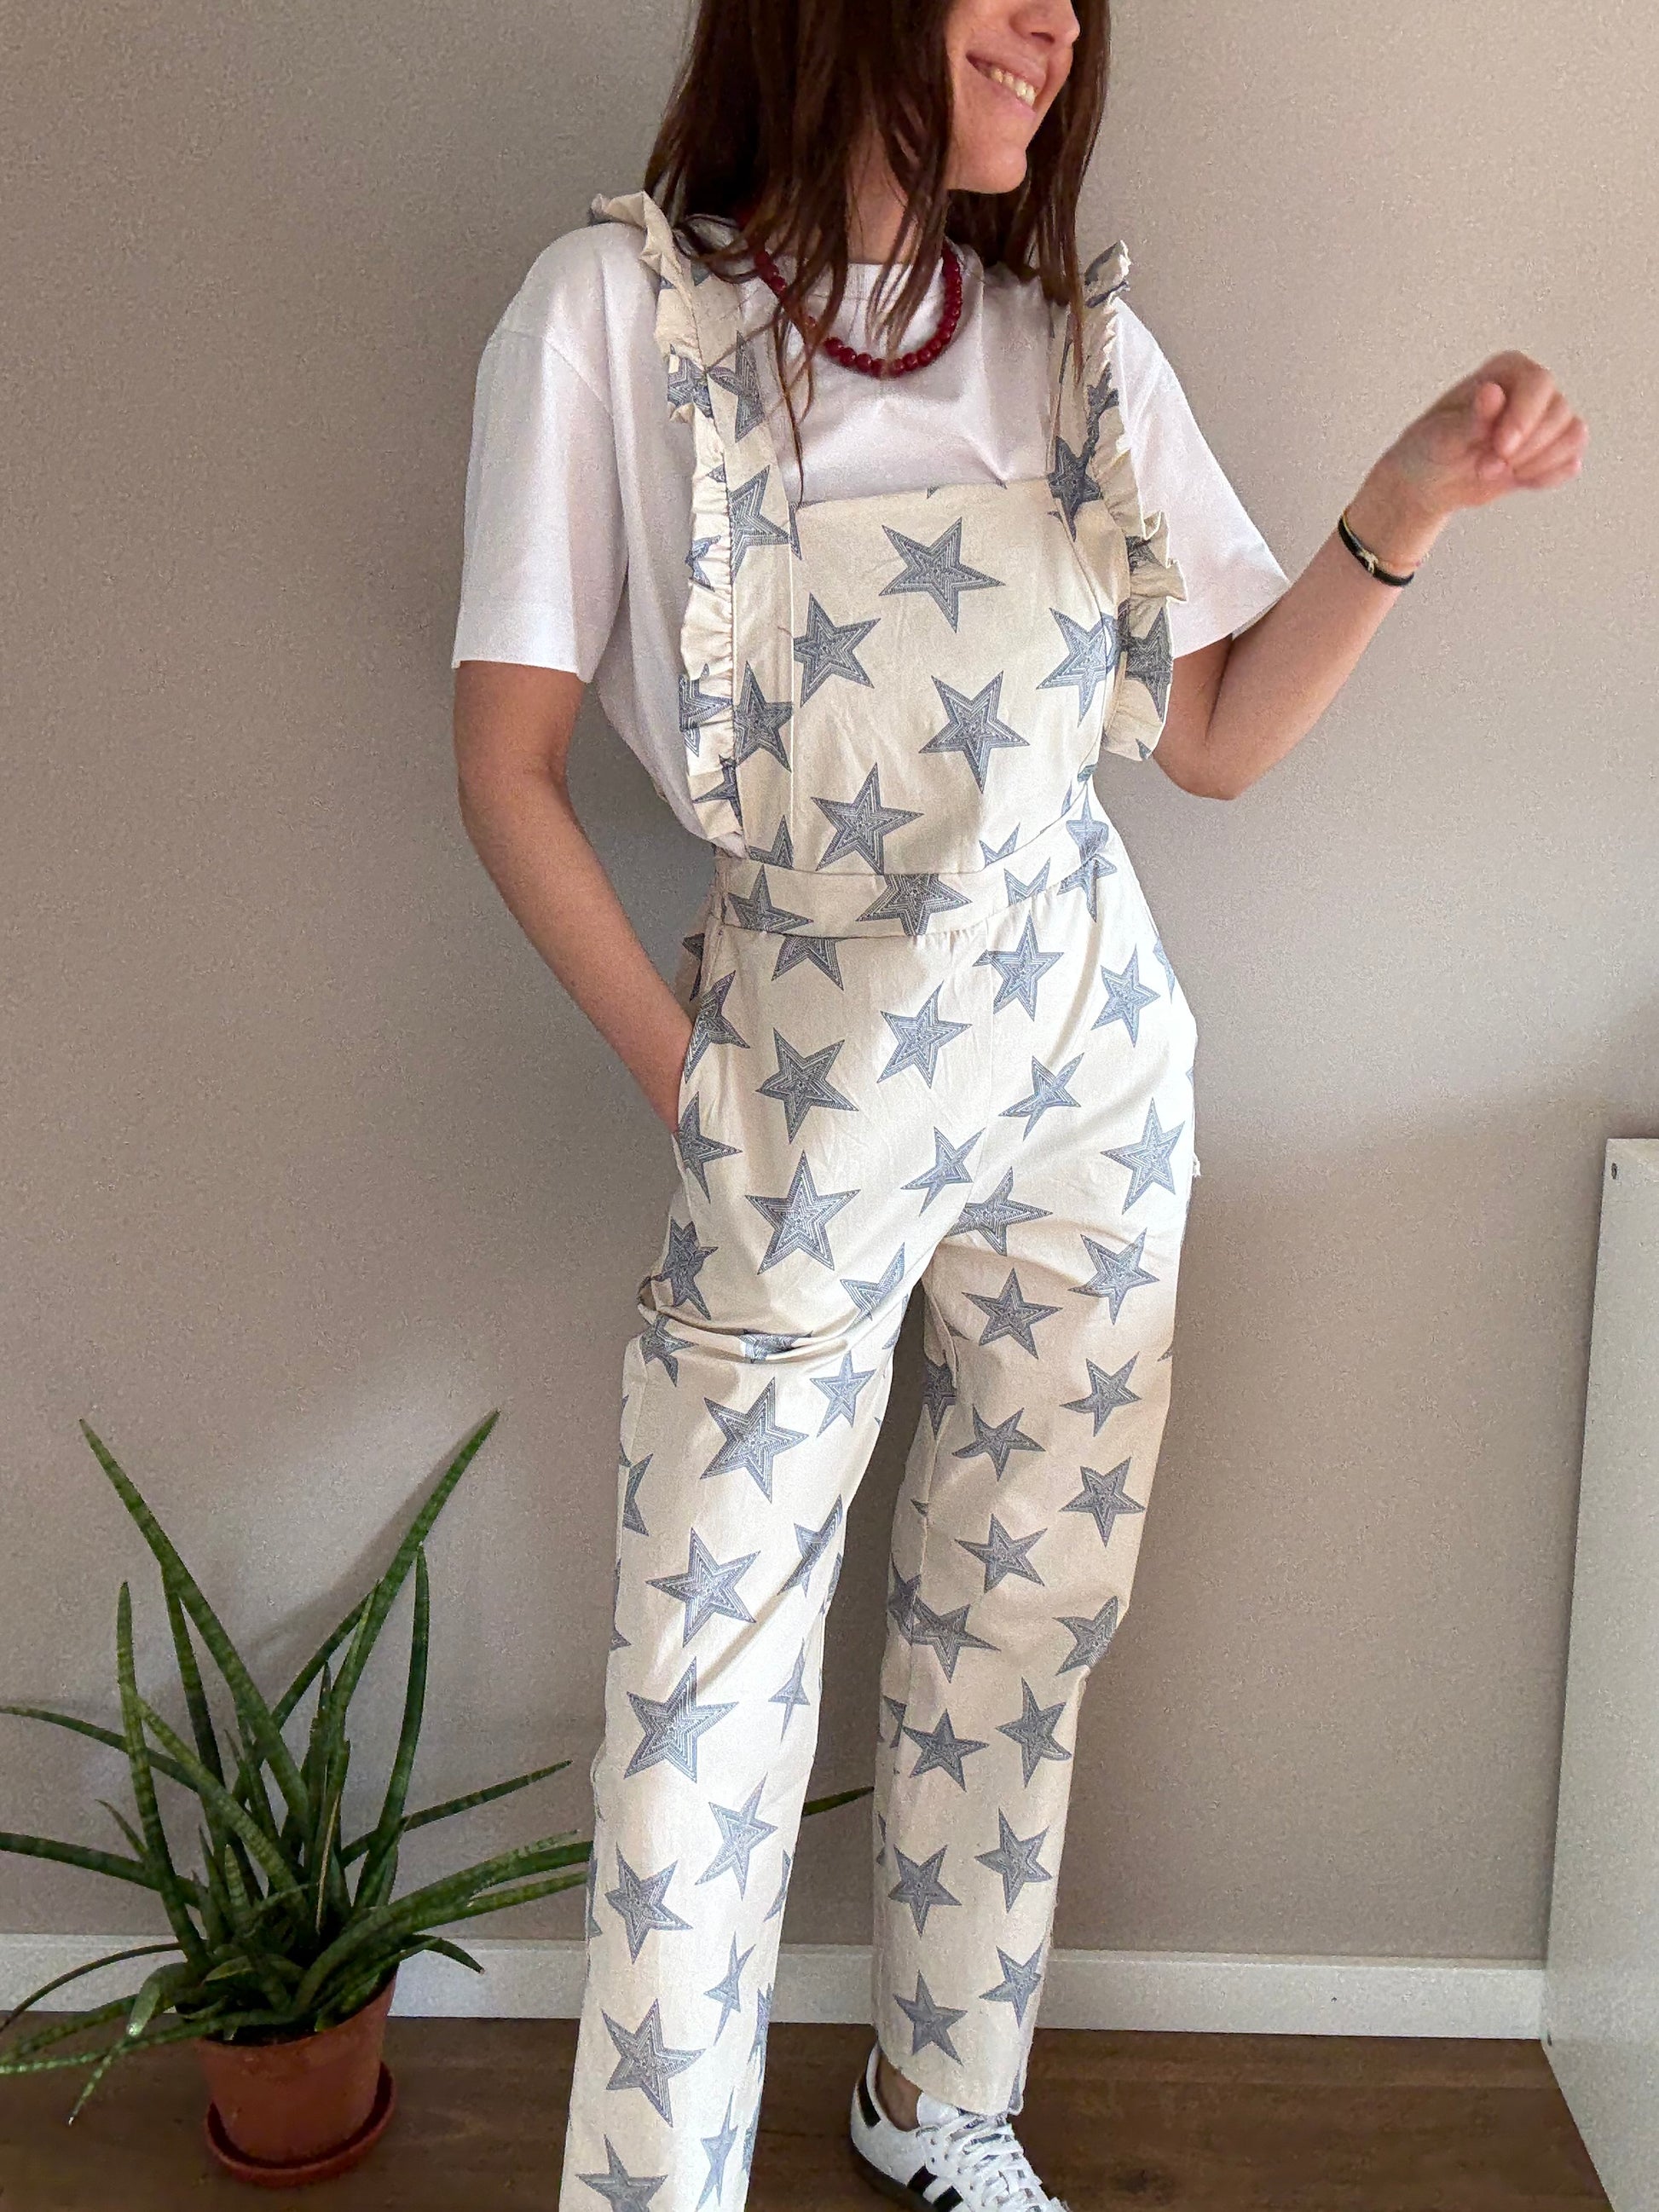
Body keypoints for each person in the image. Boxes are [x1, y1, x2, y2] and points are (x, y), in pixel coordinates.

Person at [450, 3, 1587, 2205]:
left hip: (1087, 1063)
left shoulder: (1071, 345)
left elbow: (1214, 737)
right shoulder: (615, 313)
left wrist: (1400, 508)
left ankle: (939, 2102)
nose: (1056, 24)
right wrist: (702, 1091)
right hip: (798, 1076)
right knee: (702, 1685)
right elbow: (506, 768)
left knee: (1022, 1618)